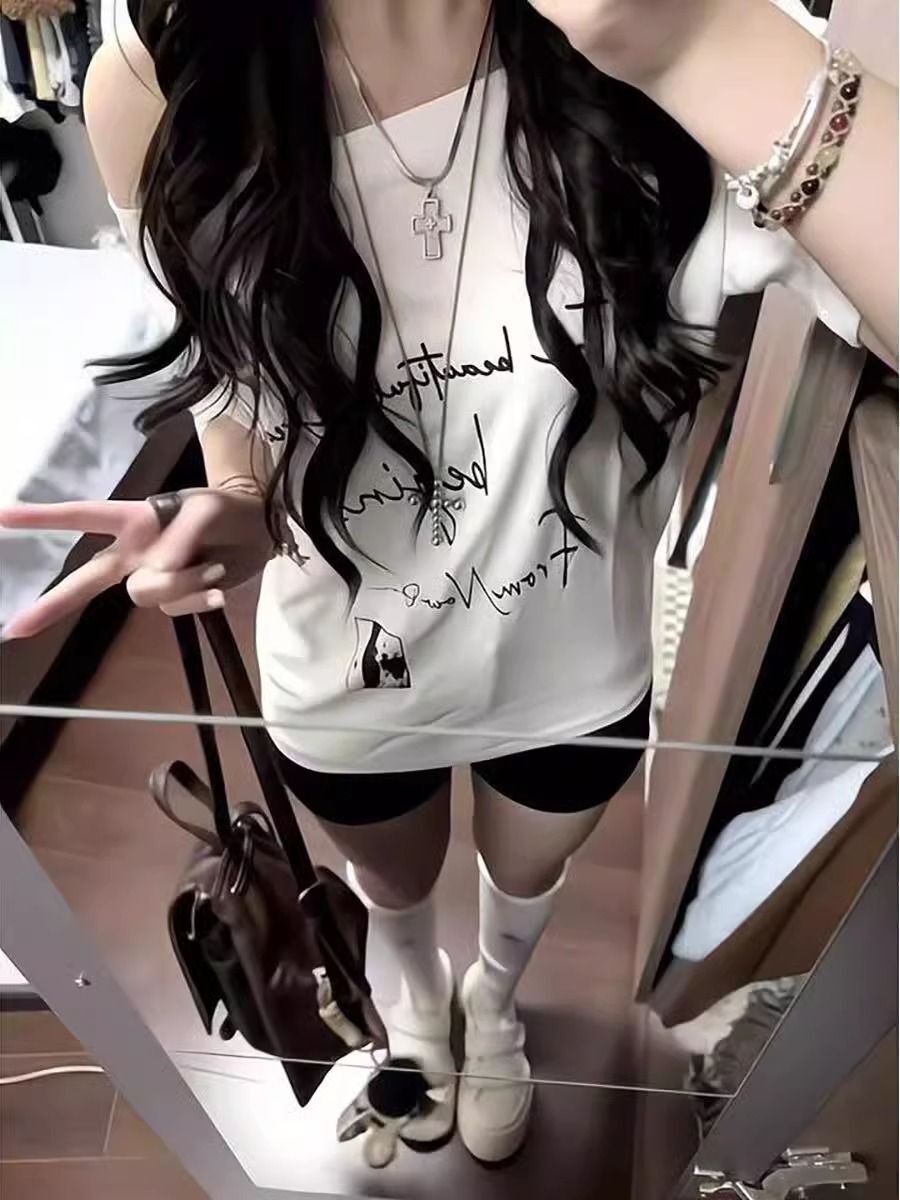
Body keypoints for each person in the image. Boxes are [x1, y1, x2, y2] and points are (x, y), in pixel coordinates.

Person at [2, 0, 896, 1165]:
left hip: (571, 668)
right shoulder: (163, 75)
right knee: (392, 883)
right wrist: (236, 507)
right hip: (345, 674)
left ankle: (494, 1003)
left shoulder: (665, 38)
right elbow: (237, 394)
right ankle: (420, 1006)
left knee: (529, 875)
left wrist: (692, 47)